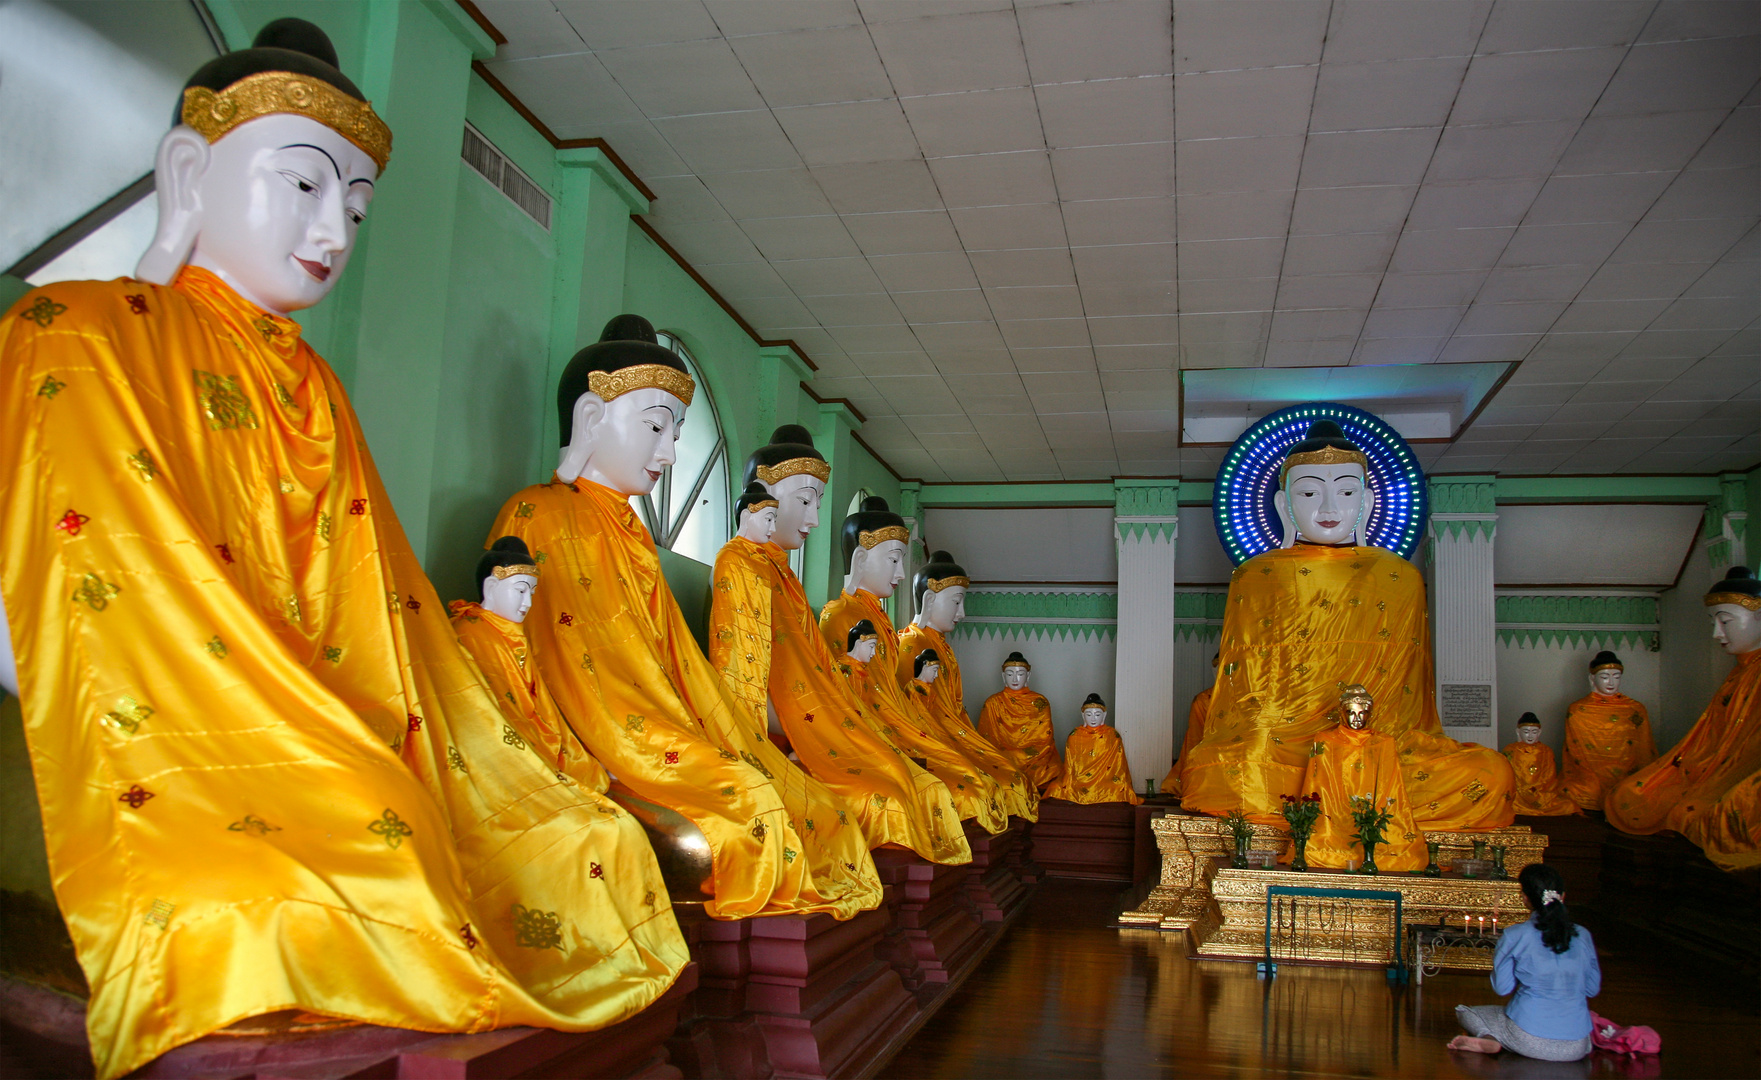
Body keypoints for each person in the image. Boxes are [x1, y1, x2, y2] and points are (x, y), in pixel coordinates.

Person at [1450, 864, 1599, 1062]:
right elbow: (1591, 989)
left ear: (1525, 898)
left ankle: (1490, 1038)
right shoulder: (1583, 935)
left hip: (1527, 1039)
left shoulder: (1515, 935)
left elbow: (1503, 988)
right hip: (1577, 1046)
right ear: (1562, 896)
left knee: (1467, 1012)